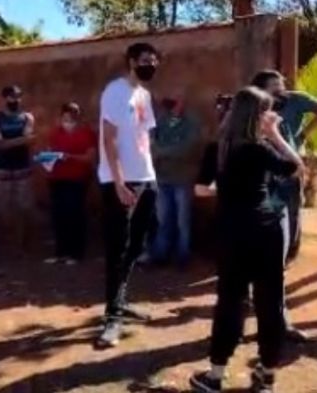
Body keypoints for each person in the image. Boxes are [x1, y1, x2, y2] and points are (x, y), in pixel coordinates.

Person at [190, 87, 302, 393]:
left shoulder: (219, 149)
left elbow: (200, 190)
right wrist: (276, 134)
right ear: (256, 115)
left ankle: (215, 375)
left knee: (229, 301)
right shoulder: (261, 149)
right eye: (267, 110)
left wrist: (226, 192)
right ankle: (266, 376)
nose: (271, 115)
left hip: (231, 231)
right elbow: (296, 167)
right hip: (265, 230)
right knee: (270, 302)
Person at [95, 42, 160, 349]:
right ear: (132, 61)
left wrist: (150, 174)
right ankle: (112, 318)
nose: (152, 64)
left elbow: (144, 136)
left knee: (137, 245)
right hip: (120, 182)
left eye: (155, 60)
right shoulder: (115, 91)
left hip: (147, 179)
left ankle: (120, 300)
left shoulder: (144, 95)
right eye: (146, 60)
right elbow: (109, 139)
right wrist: (120, 182)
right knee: (117, 249)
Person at [251, 70, 317, 265]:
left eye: (282, 84)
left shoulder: (295, 99)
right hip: (264, 163)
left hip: (289, 160)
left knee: (292, 206)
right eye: (274, 85)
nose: (281, 89)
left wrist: (304, 134)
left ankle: (289, 253)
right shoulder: (255, 103)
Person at [150, 88, 200, 268]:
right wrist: (160, 151)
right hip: (163, 177)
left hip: (183, 178)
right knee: (163, 219)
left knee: (182, 221)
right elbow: (151, 143)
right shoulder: (161, 121)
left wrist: (161, 152)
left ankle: (183, 256)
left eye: (175, 101)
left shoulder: (191, 123)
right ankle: (160, 255)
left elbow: (187, 148)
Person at [47, 102, 97, 264]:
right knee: (58, 215)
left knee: (74, 215)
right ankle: (60, 252)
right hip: (57, 179)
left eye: (73, 116)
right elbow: (49, 151)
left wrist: (70, 157)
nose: (69, 120)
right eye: (66, 117)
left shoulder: (86, 133)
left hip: (77, 179)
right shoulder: (56, 132)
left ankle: (76, 253)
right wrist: (48, 158)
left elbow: (90, 158)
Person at [0, 85, 36, 258]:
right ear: (4, 98)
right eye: (11, 97)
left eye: (18, 96)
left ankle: (22, 247)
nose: (15, 100)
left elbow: (27, 139)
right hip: (0, 170)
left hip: (22, 169)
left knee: (24, 210)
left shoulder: (27, 117)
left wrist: (10, 142)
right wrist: (21, 140)